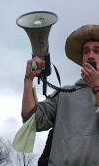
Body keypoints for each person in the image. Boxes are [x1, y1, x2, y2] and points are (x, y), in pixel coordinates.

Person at [22, 24, 99, 166]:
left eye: (97, 51)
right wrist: (28, 79)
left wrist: (96, 86)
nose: (90, 56)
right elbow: (31, 121)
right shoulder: (63, 95)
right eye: (86, 51)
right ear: (82, 59)